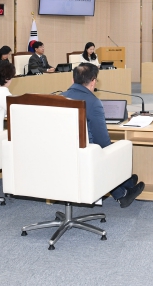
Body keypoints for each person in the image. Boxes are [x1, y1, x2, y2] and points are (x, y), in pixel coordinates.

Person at [61, 63, 145, 208]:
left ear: (73, 80)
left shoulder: (59, 98)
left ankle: (125, 181)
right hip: (85, 155)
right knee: (111, 149)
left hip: (64, 154)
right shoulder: (93, 102)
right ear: (93, 81)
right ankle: (122, 194)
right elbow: (102, 141)